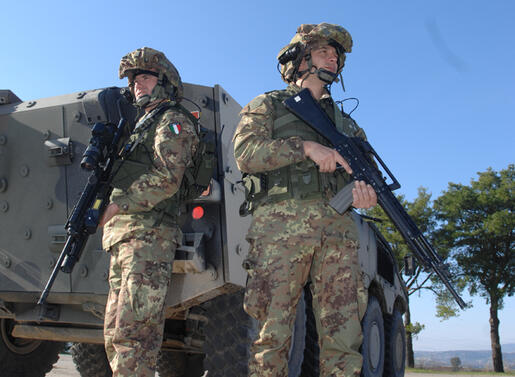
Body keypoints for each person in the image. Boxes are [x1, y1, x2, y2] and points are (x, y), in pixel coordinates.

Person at [233, 23, 377, 377]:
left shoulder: (349, 125)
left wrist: (365, 194)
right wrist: (306, 148)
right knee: (273, 335)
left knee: (344, 338)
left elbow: (366, 175)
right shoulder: (268, 105)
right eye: (323, 51)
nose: (333, 58)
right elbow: (245, 153)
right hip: (281, 228)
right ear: (300, 60)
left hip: (338, 231)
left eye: (336, 54)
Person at [99, 47, 199, 377]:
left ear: (164, 81)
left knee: (135, 335)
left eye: (144, 77)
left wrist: (118, 204)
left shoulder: (174, 120)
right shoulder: (140, 125)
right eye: (133, 80)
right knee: (115, 333)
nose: (137, 84)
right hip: (126, 237)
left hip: (149, 235)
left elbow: (168, 178)